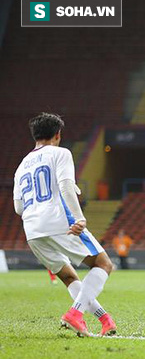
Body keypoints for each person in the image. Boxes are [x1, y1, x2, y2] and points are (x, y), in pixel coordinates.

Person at [13, 113, 116, 337]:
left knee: (69, 276)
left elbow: (18, 208)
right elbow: (66, 185)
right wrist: (79, 217)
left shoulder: (21, 166)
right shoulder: (60, 153)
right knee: (103, 264)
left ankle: (105, 320)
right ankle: (75, 314)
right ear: (58, 135)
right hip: (59, 221)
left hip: (32, 230)